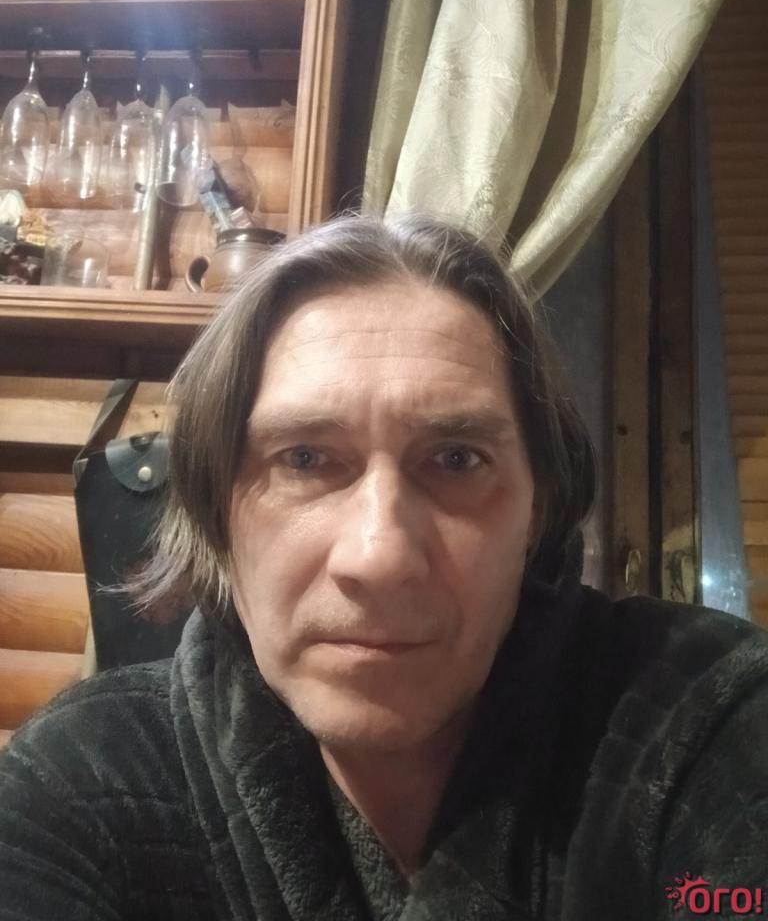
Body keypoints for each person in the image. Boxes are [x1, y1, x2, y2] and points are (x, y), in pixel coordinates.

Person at [1, 215, 767, 921]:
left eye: (456, 459)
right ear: (214, 509)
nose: (379, 556)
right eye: (304, 459)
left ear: (539, 509)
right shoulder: (81, 784)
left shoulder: (706, 716)